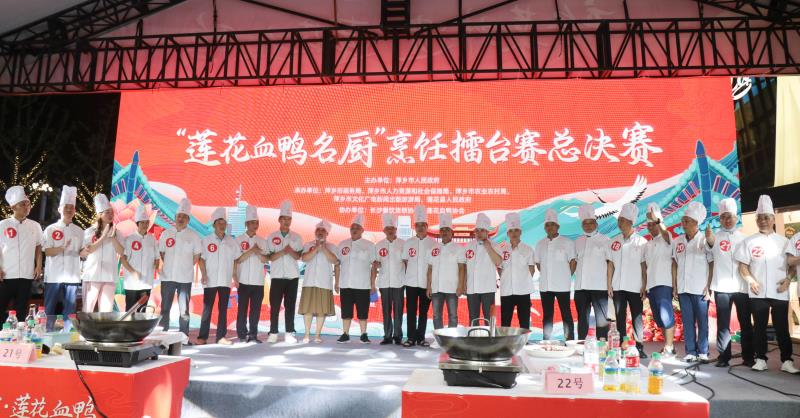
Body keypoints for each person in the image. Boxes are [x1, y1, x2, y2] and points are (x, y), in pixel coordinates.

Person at [735, 195, 798, 373]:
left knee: (782, 327)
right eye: (759, 218)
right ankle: (761, 359)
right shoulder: (748, 241)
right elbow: (742, 266)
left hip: (780, 290)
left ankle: (787, 361)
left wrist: (788, 279)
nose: (763, 221)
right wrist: (750, 280)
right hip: (758, 291)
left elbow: (792, 265)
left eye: (766, 217)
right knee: (759, 327)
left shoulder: (784, 241)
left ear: (773, 219)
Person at [707, 198, 754, 367]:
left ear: (736, 218)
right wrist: (709, 240)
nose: (727, 220)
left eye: (730, 216)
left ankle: (749, 357)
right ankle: (723, 357)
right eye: (724, 217)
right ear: (720, 219)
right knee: (723, 324)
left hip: (742, 287)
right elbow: (709, 251)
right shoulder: (714, 237)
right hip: (722, 287)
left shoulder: (745, 238)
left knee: (745, 322)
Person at [672, 201, 713, 363]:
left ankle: (703, 351)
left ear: (696, 223)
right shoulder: (677, 241)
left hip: (700, 287)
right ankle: (690, 351)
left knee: (702, 321)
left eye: (687, 221)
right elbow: (674, 263)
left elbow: (712, 263)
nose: (683, 223)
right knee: (687, 321)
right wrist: (675, 285)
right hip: (683, 287)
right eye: (683, 220)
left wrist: (709, 286)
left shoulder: (704, 240)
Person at [158, 197, 201, 339]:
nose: (181, 218)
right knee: (165, 308)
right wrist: (169, 264)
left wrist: (186, 266)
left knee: (184, 311)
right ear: (175, 217)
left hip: (185, 278)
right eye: (179, 216)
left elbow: (197, 255)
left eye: (184, 216)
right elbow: (162, 253)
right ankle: (162, 336)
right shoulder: (166, 233)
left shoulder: (193, 235)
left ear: (188, 219)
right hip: (167, 277)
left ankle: (184, 337)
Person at [609, 203, 648, 357]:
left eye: (623, 220)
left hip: (635, 286)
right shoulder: (614, 241)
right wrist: (609, 285)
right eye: (619, 220)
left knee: (637, 317)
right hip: (618, 285)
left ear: (631, 222)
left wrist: (644, 285)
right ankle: (622, 346)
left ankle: (639, 347)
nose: (620, 223)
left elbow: (644, 266)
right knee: (620, 317)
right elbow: (610, 265)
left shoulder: (641, 242)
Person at [0, 186, 43, 324]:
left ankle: (18, 334)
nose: (27, 207)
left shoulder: (35, 226)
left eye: (28, 203)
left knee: (21, 310)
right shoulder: (3, 225)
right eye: (22, 204)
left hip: (26, 275)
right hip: (6, 275)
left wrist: (38, 266)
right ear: (13, 207)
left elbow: (38, 246)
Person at [42, 186, 82, 330]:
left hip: (72, 275)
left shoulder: (79, 231)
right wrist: (62, 248)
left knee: (70, 310)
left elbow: (82, 252)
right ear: (60, 209)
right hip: (54, 275)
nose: (69, 210)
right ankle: (45, 333)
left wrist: (86, 251)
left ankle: (67, 335)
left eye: (72, 207)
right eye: (66, 207)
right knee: (49, 308)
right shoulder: (51, 229)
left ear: (75, 211)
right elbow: (47, 251)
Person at [197, 208, 239, 345]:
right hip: (210, 280)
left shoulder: (232, 241)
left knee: (223, 309)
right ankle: (202, 337)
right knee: (207, 309)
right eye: (219, 222)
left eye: (224, 222)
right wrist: (204, 274)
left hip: (225, 280)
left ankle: (221, 337)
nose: (222, 225)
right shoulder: (206, 240)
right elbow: (201, 259)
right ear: (214, 224)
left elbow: (235, 260)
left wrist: (235, 278)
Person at [534, 208, 576, 341]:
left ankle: (569, 340)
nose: (550, 227)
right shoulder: (540, 243)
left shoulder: (567, 242)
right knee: (547, 315)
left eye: (552, 224)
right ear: (544, 228)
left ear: (558, 226)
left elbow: (573, 261)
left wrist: (565, 276)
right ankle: (546, 340)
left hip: (562, 285)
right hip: (545, 285)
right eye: (547, 225)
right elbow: (538, 263)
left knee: (566, 314)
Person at [335, 214, 377, 344]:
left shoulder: (369, 245)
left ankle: (363, 334)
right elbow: (337, 264)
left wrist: (373, 284)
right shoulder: (342, 244)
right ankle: (345, 334)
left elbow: (374, 266)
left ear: (362, 230)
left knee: (363, 311)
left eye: (357, 228)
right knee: (346, 311)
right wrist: (337, 282)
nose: (354, 230)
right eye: (352, 227)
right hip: (345, 283)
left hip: (362, 284)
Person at [265, 200, 303, 344]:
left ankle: (289, 333)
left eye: (289, 219)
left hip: (292, 277)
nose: (287, 221)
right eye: (284, 219)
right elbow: (270, 257)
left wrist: (290, 250)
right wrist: (282, 251)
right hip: (277, 276)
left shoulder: (296, 237)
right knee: (274, 306)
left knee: (290, 306)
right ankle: (273, 332)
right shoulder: (271, 236)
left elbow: (298, 256)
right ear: (279, 220)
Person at [81, 194, 124, 313]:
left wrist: (113, 237)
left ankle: (104, 326)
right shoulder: (90, 231)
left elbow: (121, 252)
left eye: (112, 212)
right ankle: (85, 325)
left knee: (106, 310)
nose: (111, 215)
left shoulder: (117, 233)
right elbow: (87, 250)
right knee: (88, 308)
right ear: (99, 214)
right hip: (93, 274)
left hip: (109, 275)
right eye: (107, 212)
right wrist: (103, 236)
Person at [643, 203, 676, 357]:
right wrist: (644, 286)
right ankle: (669, 346)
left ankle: (669, 347)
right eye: (649, 225)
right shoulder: (648, 245)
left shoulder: (667, 238)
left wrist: (658, 220)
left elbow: (664, 231)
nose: (651, 227)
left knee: (665, 315)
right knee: (658, 318)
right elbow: (645, 267)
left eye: (653, 224)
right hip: (651, 285)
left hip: (664, 282)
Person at [574, 204, 611, 340]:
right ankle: (581, 344)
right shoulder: (577, 241)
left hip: (599, 286)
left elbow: (610, 263)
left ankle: (603, 345)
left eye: (591, 223)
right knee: (582, 319)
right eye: (585, 223)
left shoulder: (606, 240)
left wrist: (609, 285)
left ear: (596, 224)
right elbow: (574, 262)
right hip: (581, 286)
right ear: (581, 225)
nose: (588, 226)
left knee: (602, 320)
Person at [299, 220, 338, 343]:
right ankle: (306, 334)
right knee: (308, 309)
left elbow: (334, 261)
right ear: (315, 232)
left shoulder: (332, 246)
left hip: (324, 282)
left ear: (327, 234)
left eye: (323, 231)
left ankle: (317, 335)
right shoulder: (308, 245)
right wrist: (316, 248)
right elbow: (304, 258)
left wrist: (323, 248)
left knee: (322, 310)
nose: (320, 232)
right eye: (318, 230)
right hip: (309, 281)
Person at [402, 204, 436, 347]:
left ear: (427, 226)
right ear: (414, 227)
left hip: (426, 284)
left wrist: (430, 284)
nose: (420, 227)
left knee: (423, 311)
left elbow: (434, 265)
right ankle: (410, 338)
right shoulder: (408, 242)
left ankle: (421, 337)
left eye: (423, 225)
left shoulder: (433, 244)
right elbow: (405, 261)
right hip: (410, 282)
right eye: (418, 225)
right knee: (411, 311)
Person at [426, 213, 465, 330]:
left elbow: (462, 268)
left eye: (447, 230)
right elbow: (430, 269)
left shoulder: (458, 248)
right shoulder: (434, 248)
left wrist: (460, 286)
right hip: (436, 287)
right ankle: (440, 338)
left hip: (452, 288)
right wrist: (429, 287)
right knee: (436, 315)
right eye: (442, 230)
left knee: (453, 316)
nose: (444, 232)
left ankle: (451, 337)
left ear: (452, 232)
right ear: (439, 232)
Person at [235, 205, 267, 343]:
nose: (255, 225)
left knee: (255, 310)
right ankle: (242, 334)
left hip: (258, 281)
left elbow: (265, 260)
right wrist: (251, 251)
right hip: (243, 280)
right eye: (252, 223)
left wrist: (257, 252)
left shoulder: (262, 241)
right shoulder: (238, 240)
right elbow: (238, 259)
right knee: (242, 309)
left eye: (256, 223)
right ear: (246, 224)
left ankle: (253, 335)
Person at [498, 212, 535, 330]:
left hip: (523, 291)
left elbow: (531, 269)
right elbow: (499, 268)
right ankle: (504, 341)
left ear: (520, 232)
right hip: (506, 291)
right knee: (505, 323)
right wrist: (505, 279)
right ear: (507, 233)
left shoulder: (528, 249)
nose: (513, 233)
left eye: (516, 230)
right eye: (511, 231)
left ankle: (524, 340)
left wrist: (523, 281)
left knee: (524, 323)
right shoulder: (502, 250)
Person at [464, 213, 502, 324]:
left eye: (482, 230)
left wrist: (488, 247)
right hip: (472, 288)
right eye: (477, 231)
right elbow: (464, 267)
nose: (479, 233)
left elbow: (498, 262)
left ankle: (490, 336)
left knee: (489, 319)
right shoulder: (468, 246)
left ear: (487, 232)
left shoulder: (494, 245)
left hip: (488, 288)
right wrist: (464, 284)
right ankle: (474, 335)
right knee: (473, 318)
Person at [121, 203, 159, 312]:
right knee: (130, 311)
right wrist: (133, 272)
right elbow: (123, 259)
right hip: (132, 282)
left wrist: (156, 265)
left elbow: (157, 257)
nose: (145, 225)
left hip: (146, 282)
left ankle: (140, 324)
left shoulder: (152, 239)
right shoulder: (129, 239)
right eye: (142, 222)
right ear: (137, 223)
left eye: (147, 222)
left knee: (142, 310)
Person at [374, 213, 405, 345]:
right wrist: (372, 282)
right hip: (384, 282)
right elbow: (376, 263)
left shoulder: (403, 244)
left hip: (399, 282)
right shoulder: (379, 245)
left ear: (396, 230)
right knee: (386, 310)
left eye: (392, 228)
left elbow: (407, 262)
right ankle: (387, 336)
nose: (390, 230)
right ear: (384, 231)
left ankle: (397, 335)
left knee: (398, 310)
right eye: (387, 228)